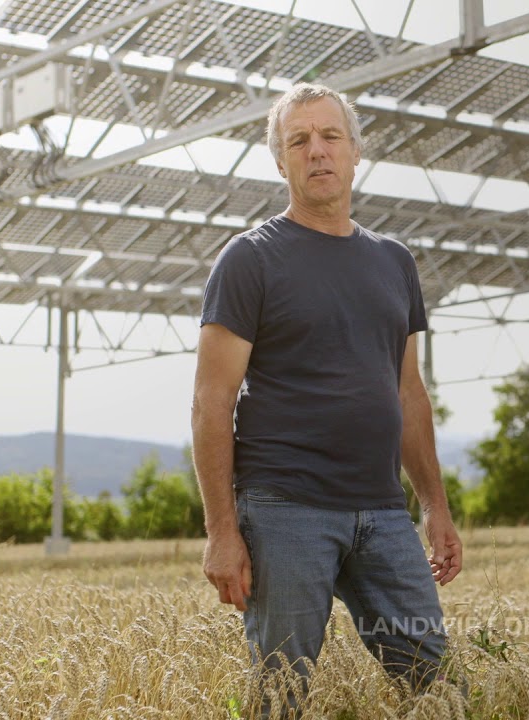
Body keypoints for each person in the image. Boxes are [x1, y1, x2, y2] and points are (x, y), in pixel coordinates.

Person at [191, 82, 462, 714]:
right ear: (280, 160)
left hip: (383, 511)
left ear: (356, 151)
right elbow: (211, 401)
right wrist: (221, 530)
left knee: (436, 686)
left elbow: (408, 393)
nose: (317, 152)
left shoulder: (394, 261)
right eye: (299, 140)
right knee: (280, 695)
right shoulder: (249, 259)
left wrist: (434, 505)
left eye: (330, 136)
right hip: (285, 509)